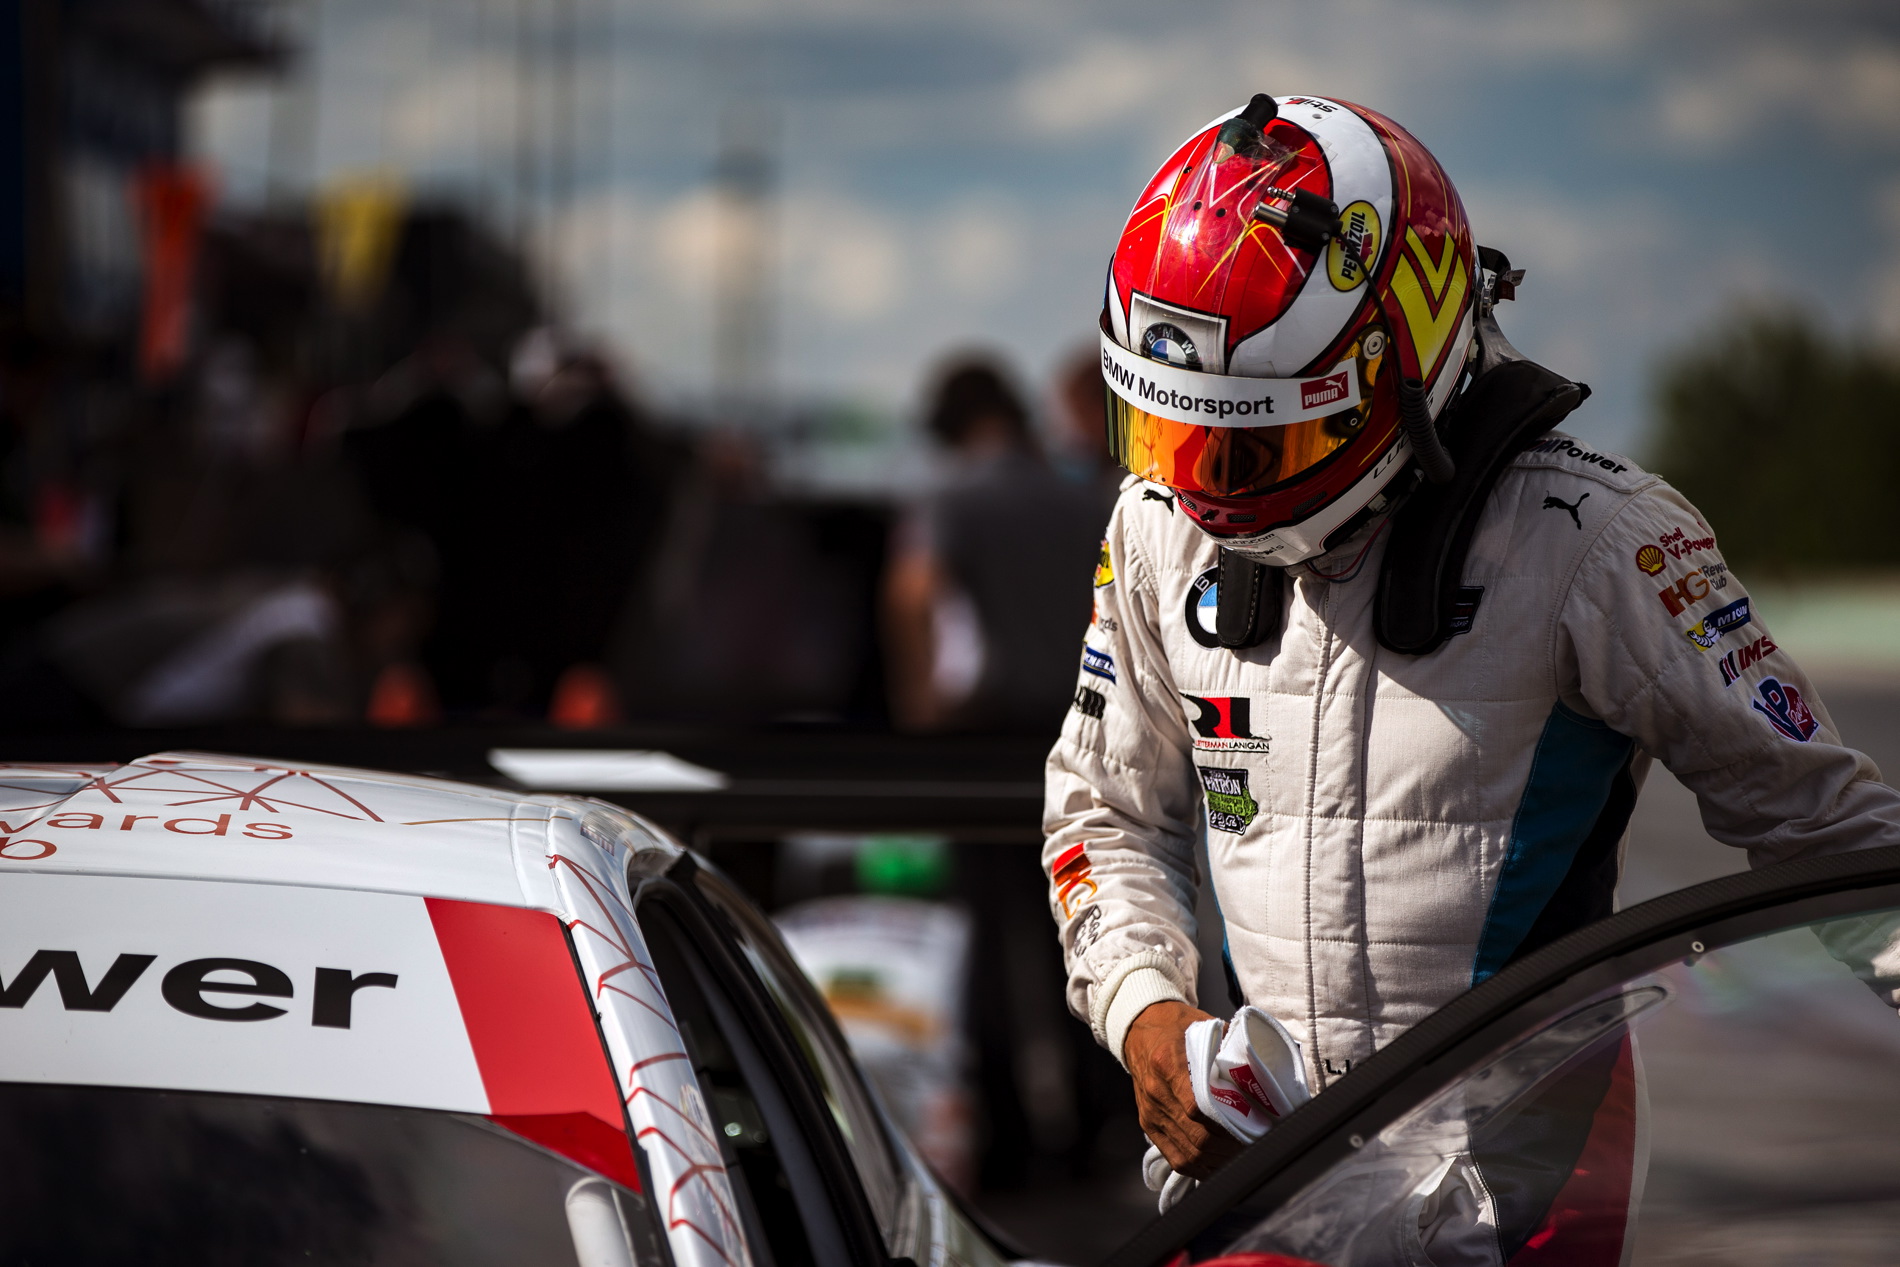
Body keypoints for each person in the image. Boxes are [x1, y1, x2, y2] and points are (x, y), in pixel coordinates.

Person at [1041, 93, 1900, 1258]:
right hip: (1260, 1189)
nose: (1206, 485)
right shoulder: (1157, 527)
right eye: (1172, 432)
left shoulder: (1599, 537)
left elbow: (1834, 839)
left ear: (1401, 366)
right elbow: (1099, 809)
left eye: (1257, 442)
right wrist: (1145, 1010)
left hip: (1519, 1211)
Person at [883, 356, 1109, 732]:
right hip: (1074, 709)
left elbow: (912, 595)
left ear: (949, 429)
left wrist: (918, 703)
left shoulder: (950, 500)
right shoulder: (1085, 503)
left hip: (985, 713)